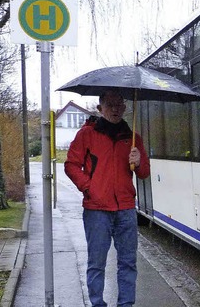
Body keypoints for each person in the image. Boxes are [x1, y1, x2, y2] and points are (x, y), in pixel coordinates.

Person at [65, 89, 150, 307]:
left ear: (124, 107)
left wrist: (139, 161)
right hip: (96, 209)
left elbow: (143, 174)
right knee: (97, 263)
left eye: (119, 104)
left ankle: (126, 304)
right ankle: (97, 304)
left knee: (128, 263)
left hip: (126, 209)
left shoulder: (132, 139)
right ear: (100, 108)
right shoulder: (87, 135)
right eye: (110, 104)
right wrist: (88, 187)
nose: (115, 109)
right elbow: (71, 165)